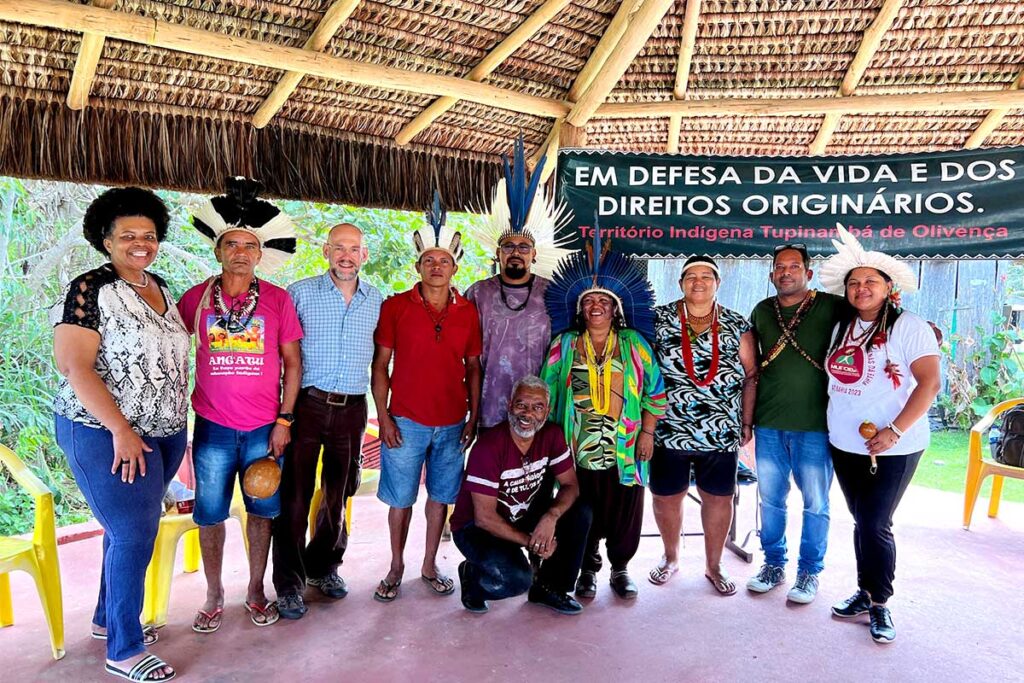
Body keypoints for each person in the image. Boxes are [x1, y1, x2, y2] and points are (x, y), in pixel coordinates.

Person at [52, 187, 188, 681]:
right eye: (127, 235)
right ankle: (124, 650)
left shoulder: (161, 287)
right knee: (134, 532)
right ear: (106, 240)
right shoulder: (90, 289)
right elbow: (74, 366)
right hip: (104, 432)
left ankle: (106, 620)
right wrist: (121, 429)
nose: (140, 244)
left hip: (165, 433)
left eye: (148, 235)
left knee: (127, 529)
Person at [177, 177, 303, 632]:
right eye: (232, 243)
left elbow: (293, 363)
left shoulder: (277, 300)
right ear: (218, 250)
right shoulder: (195, 299)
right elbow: (172, 350)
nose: (241, 252)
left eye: (250, 245)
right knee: (210, 514)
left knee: (262, 512)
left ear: (260, 254)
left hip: (263, 430)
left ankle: (255, 589)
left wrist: (284, 420)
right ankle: (213, 594)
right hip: (212, 427)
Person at [818, 225, 941, 644]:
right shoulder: (843, 327)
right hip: (845, 443)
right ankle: (865, 590)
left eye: (871, 281)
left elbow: (929, 383)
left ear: (889, 287)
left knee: (875, 522)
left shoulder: (910, 327)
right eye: (854, 283)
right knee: (863, 521)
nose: (861, 288)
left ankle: (880, 602)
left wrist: (894, 430)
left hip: (894, 447)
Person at [541, 234, 666, 600]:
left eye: (603, 301)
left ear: (615, 309)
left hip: (625, 447)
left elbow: (655, 391)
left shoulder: (634, 344)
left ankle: (621, 568)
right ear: (580, 309)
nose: (596, 306)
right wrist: (551, 445)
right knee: (582, 508)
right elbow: (548, 396)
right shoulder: (564, 345)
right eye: (589, 301)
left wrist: (647, 433)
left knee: (625, 510)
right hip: (577, 448)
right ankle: (586, 567)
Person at [371, 191, 482, 602]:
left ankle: (429, 564)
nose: (436, 266)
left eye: (444, 261)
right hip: (405, 421)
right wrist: (383, 417)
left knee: (440, 497)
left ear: (455, 267)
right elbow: (380, 366)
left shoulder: (468, 312)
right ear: (417, 266)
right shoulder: (395, 307)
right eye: (429, 260)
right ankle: (396, 565)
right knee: (401, 499)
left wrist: (472, 417)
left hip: (452, 422)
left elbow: (474, 367)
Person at [272, 223, 383, 620]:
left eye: (354, 249)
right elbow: (282, 357)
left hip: (353, 408)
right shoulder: (299, 293)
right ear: (325, 251)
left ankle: (324, 566)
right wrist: (282, 416)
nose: (346, 256)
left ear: (364, 255)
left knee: (339, 492)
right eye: (339, 248)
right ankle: (289, 584)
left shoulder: (376, 300)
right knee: (295, 496)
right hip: (308, 405)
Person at [647, 255, 757, 596]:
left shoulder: (736, 323)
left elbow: (751, 375)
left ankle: (714, 565)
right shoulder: (658, 320)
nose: (698, 282)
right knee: (666, 497)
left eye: (706, 276)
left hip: (720, 430)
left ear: (718, 283)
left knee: (719, 498)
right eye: (690, 276)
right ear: (680, 283)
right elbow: (643, 372)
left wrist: (746, 421)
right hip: (668, 429)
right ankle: (670, 558)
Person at [744, 243, 841, 603]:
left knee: (815, 503)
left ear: (808, 273)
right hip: (769, 422)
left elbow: (872, 321)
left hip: (816, 425)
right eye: (780, 267)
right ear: (772, 274)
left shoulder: (833, 306)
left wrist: (917, 327)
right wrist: (748, 421)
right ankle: (773, 564)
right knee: (771, 500)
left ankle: (809, 572)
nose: (786, 272)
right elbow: (750, 369)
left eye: (794, 266)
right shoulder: (762, 310)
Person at [451, 376, 591, 615]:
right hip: (476, 528)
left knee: (580, 512)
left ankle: (549, 588)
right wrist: (531, 542)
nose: (528, 414)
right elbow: (484, 518)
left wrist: (551, 516)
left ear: (547, 412)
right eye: (521, 405)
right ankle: (472, 576)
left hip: (520, 516)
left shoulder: (551, 435)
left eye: (537, 407)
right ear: (509, 405)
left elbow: (571, 485)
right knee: (516, 580)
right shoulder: (488, 447)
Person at [465, 136, 572, 429]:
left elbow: (564, 350)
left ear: (534, 254)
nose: (516, 252)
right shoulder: (477, 293)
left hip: (538, 407)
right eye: (508, 246)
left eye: (523, 247)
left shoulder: (552, 293)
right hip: (489, 402)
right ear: (498, 253)